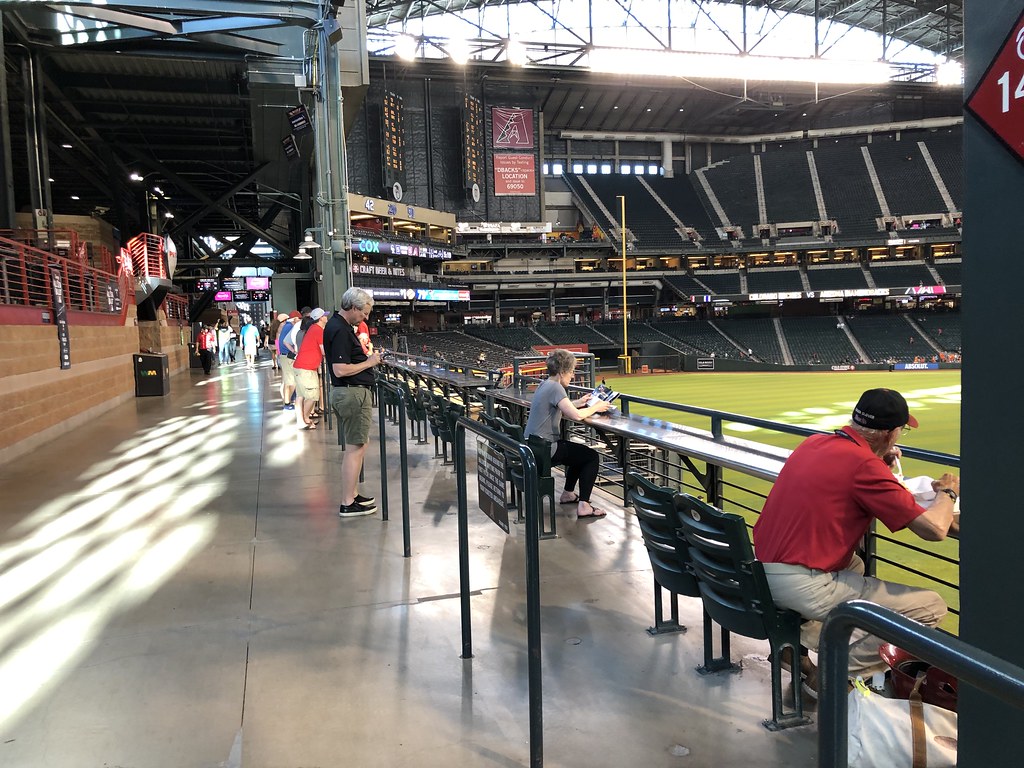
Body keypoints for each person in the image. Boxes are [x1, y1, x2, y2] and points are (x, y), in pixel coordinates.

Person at [753, 388, 958, 690]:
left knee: (854, 565)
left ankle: (793, 645)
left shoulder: (815, 442)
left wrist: (878, 463)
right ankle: (835, 674)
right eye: (901, 431)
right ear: (889, 434)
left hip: (761, 570)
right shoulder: (865, 466)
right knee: (931, 607)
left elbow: (847, 482)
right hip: (799, 582)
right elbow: (935, 529)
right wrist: (947, 492)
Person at [523, 349, 613, 518]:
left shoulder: (545, 384)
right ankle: (584, 506)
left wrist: (579, 402)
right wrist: (596, 407)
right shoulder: (556, 387)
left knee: (576, 453)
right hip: (544, 449)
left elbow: (562, 408)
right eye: (571, 372)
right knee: (591, 456)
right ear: (562, 372)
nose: (572, 376)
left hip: (533, 446)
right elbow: (577, 415)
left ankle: (568, 494)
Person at [325, 288, 383, 518]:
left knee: (357, 446)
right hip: (351, 393)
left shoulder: (338, 326)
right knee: (355, 449)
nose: (365, 318)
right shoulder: (339, 329)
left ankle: (353, 494)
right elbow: (340, 369)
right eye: (364, 313)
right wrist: (370, 362)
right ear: (353, 307)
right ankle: (348, 502)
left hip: (350, 393)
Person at [293, 308, 330, 430]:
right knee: (313, 395)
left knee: (301, 395)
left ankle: (303, 420)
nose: (326, 317)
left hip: (300, 366)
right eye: (325, 316)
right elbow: (324, 350)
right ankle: (304, 418)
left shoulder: (312, 329)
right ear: (321, 318)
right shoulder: (318, 330)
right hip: (307, 368)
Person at [277, 311, 301, 410]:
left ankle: (288, 402)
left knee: (287, 381)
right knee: (291, 382)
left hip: (284, 356)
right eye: (299, 319)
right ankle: (287, 403)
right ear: (295, 319)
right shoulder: (291, 327)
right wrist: (294, 352)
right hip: (288, 356)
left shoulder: (285, 326)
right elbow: (286, 342)